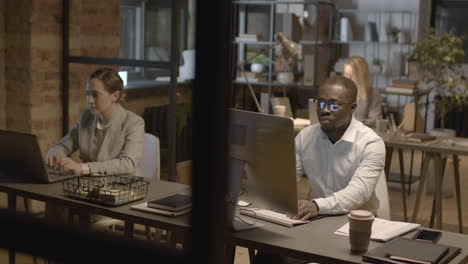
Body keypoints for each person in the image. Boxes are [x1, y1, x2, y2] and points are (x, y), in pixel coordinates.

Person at [293, 76, 385, 220]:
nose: (325, 110)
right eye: (321, 104)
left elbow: (358, 192)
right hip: (316, 218)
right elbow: (287, 178)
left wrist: (317, 206)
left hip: (358, 221)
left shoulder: (371, 143)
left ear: (353, 108)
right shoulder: (305, 137)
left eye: (334, 106)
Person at [46, 68, 145, 177]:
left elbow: (128, 164)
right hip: (90, 185)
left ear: (115, 95)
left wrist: (83, 168)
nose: (90, 100)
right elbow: (63, 146)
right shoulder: (86, 117)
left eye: (95, 95)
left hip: (123, 188)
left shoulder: (133, 123)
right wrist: (55, 152)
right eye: (87, 94)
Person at [343, 56, 383, 121]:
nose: (348, 79)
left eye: (352, 76)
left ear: (361, 76)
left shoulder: (372, 94)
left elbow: (375, 121)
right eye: (346, 74)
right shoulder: (339, 92)